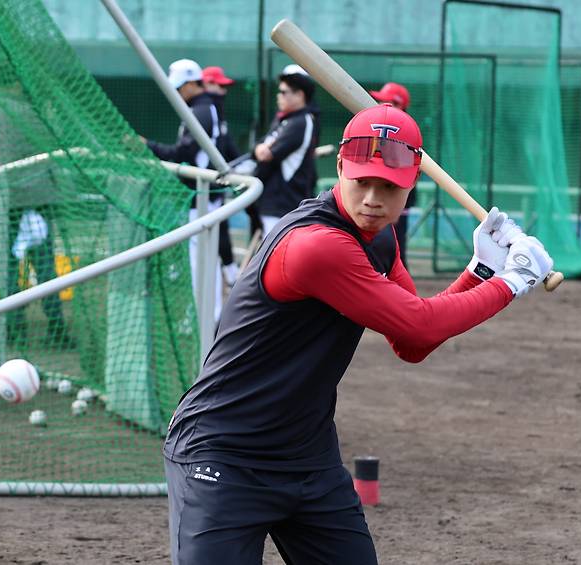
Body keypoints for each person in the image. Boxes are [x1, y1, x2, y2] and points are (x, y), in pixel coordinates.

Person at [163, 104, 554, 564]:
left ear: (412, 182)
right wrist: (511, 282)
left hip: (307, 457)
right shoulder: (316, 246)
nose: (372, 199)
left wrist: (481, 269)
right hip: (224, 455)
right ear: (339, 168)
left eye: (388, 186)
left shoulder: (380, 239)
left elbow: (412, 343)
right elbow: (421, 323)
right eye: (362, 181)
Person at [0, 64, 72, 346]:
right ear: (14, 82)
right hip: (36, 201)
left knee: (7, 268)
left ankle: (13, 330)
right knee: (45, 267)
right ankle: (56, 328)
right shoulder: (35, 111)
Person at [144, 59, 224, 320]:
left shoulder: (201, 110)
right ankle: (206, 315)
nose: (177, 93)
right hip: (200, 197)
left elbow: (184, 153)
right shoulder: (201, 108)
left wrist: (149, 146)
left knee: (203, 261)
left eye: (179, 88)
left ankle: (209, 317)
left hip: (203, 198)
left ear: (191, 84)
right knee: (200, 260)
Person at [252, 64, 319, 236]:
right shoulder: (286, 119)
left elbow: (266, 154)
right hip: (274, 203)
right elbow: (259, 147)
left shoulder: (300, 122)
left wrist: (261, 150)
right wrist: (259, 149)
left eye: (283, 92)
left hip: (283, 205)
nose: (278, 96)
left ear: (300, 95)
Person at [201, 65, 241, 287]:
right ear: (206, 83)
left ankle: (230, 273)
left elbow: (227, 144)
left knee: (220, 229)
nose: (223, 91)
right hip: (202, 187)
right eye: (219, 85)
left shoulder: (217, 110)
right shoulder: (205, 109)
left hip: (216, 185)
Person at [370, 81, 415, 268]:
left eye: (389, 102)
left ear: (400, 105)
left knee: (394, 251)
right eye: (380, 101)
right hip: (380, 199)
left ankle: (401, 285)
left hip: (397, 200)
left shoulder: (406, 132)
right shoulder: (378, 129)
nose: (382, 106)